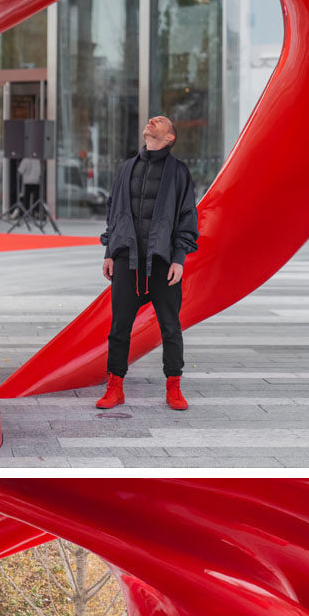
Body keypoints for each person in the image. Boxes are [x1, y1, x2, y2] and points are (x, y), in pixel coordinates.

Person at [97, 115, 199, 412]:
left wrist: (179, 259)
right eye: (152, 120)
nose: (153, 120)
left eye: (162, 121)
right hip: (126, 258)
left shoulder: (178, 172)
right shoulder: (126, 168)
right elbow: (113, 211)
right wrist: (109, 251)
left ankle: (174, 388)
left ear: (170, 138)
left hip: (163, 260)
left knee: (170, 327)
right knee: (119, 327)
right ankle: (114, 387)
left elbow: (187, 216)